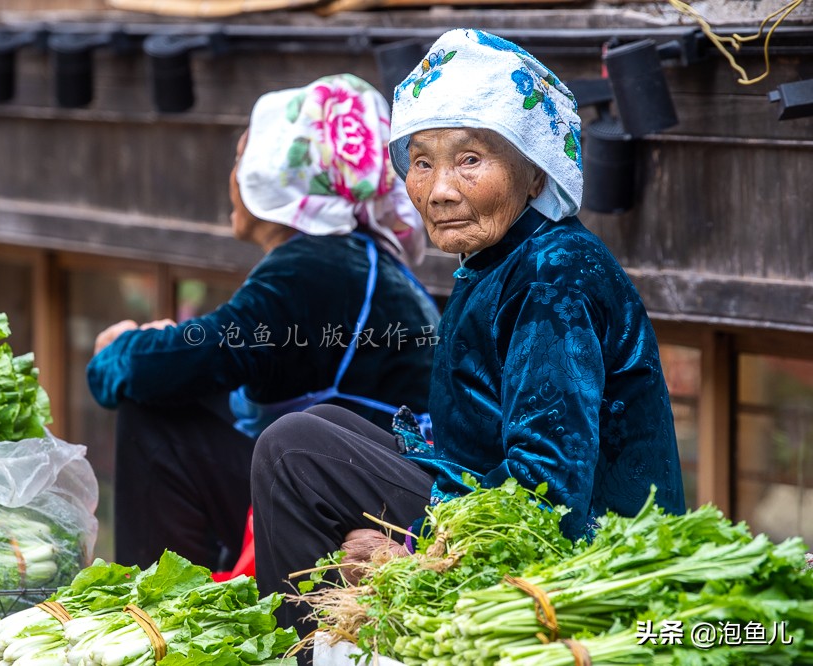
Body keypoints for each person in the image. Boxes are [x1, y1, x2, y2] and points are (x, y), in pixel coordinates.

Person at [250, 29, 686, 655]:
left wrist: (411, 551)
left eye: (470, 160)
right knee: (323, 425)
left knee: (295, 450)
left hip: (583, 557)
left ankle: (304, 654)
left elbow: (548, 489)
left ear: (534, 172)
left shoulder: (551, 277)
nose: (439, 189)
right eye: (421, 161)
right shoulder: (502, 260)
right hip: (499, 506)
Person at [87, 73, 441, 573]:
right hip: (360, 491)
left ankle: (159, 617)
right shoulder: (357, 258)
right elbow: (226, 349)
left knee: (151, 415)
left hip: (342, 505)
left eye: (241, 158)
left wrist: (119, 349)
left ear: (272, 172)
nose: (232, 175)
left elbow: (180, 361)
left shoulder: (316, 267)